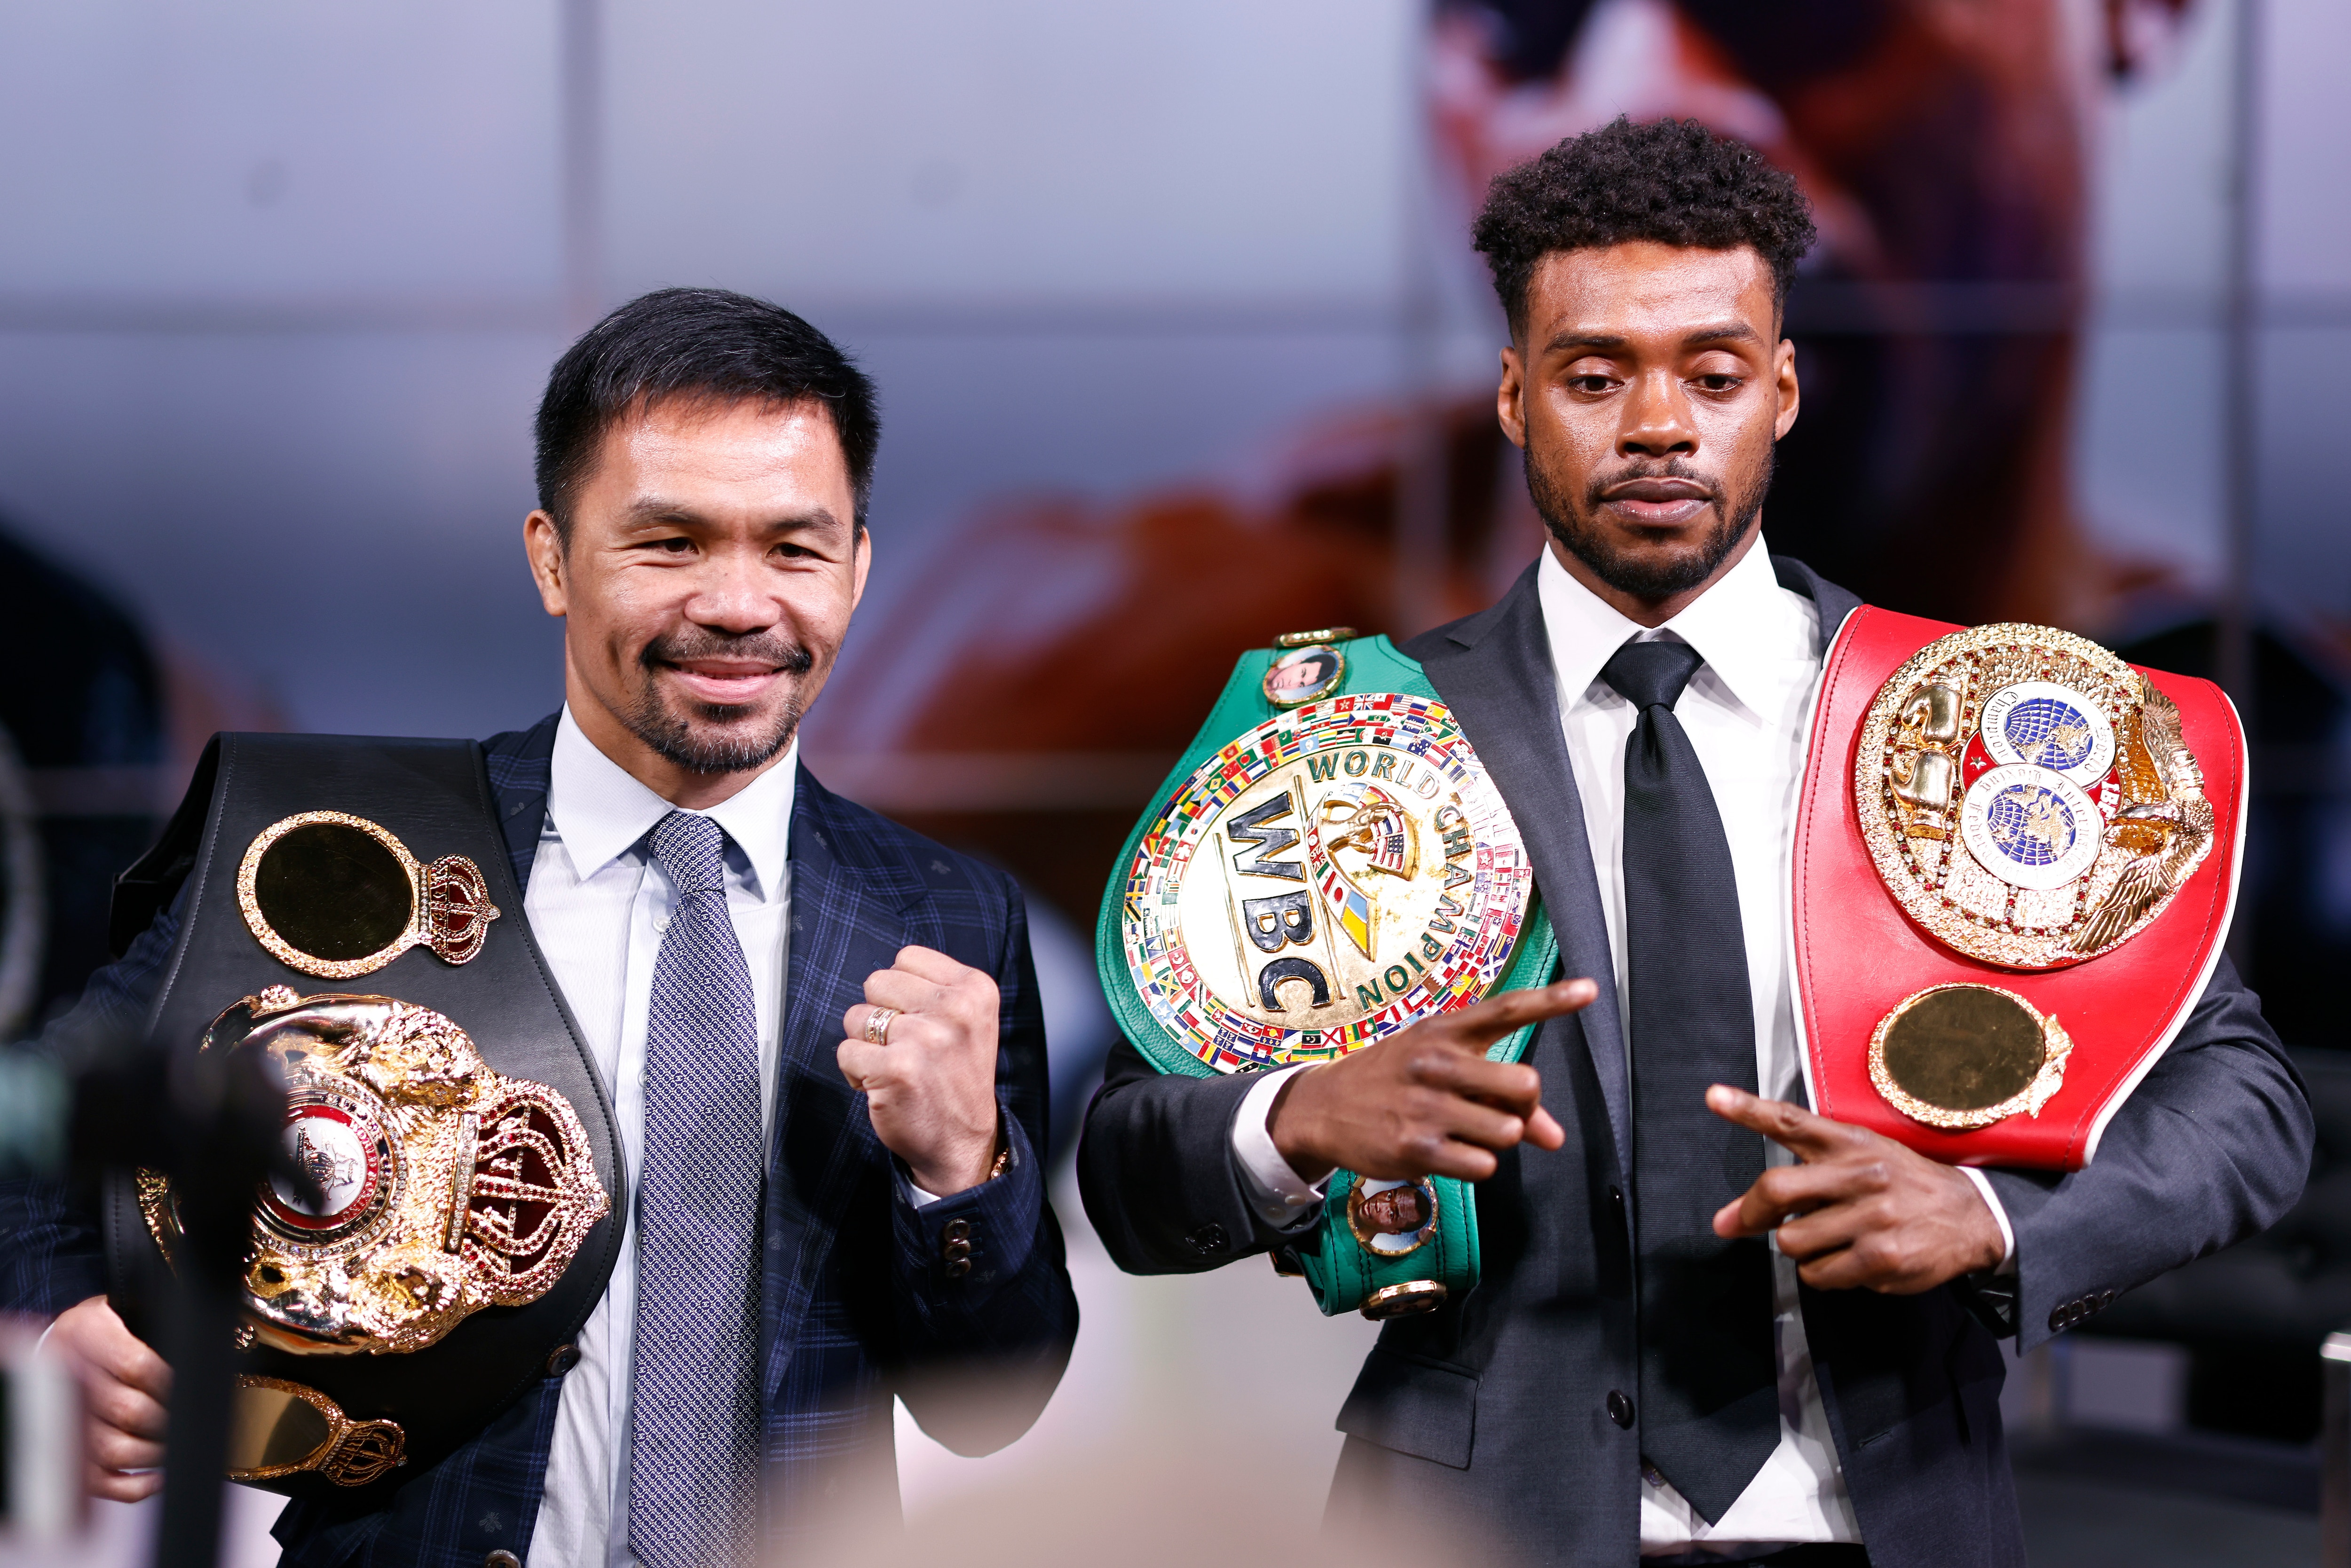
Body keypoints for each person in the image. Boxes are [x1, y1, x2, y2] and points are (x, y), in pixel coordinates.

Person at [1077, 120, 2310, 1568]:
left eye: (1712, 375)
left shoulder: (1963, 726)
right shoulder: (1356, 739)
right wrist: (1293, 1118)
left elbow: (2247, 1103)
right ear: (1513, 395)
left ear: (1780, 392)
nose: (1658, 424)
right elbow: (1125, 1166)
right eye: (1596, 377)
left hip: (1894, 1515)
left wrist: (1990, 1218)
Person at [11, 289, 1080, 1567]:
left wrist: (961, 1171)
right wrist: (56, 1312)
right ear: (552, 558)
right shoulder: (341, 849)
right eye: (672, 544)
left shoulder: (945, 917)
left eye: (794, 550)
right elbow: (43, 1131)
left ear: (857, 564)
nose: (740, 605)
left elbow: (997, 1398)